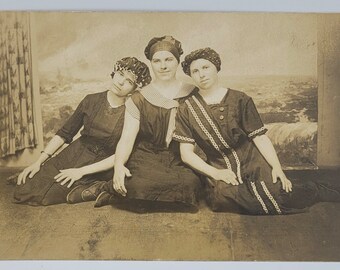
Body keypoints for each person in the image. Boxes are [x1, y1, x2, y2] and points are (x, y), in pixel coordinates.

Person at [173, 47, 340, 215]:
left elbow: (259, 138)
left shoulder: (240, 99)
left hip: (252, 160)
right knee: (220, 199)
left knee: (279, 193)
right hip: (219, 164)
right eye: (195, 71)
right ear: (191, 75)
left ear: (216, 68)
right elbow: (186, 154)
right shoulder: (187, 108)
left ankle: (315, 190)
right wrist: (215, 173)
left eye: (205, 67)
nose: (201, 74)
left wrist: (276, 167)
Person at [13, 57, 151, 206]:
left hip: (103, 164)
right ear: (114, 73)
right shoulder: (90, 100)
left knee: (45, 197)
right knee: (25, 190)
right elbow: (64, 133)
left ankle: (98, 186)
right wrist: (39, 162)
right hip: (74, 152)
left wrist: (81, 171)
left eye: (129, 81)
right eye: (120, 74)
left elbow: (121, 155)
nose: (121, 82)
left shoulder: (132, 112)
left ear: (134, 89)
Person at [93, 36, 202, 212]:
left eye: (168, 60)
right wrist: (119, 166)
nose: (163, 66)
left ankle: (127, 197)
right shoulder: (139, 98)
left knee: (190, 186)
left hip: (180, 156)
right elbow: (127, 138)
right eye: (157, 61)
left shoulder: (192, 93)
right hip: (146, 155)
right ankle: (109, 189)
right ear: (151, 63)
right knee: (138, 185)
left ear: (177, 61)